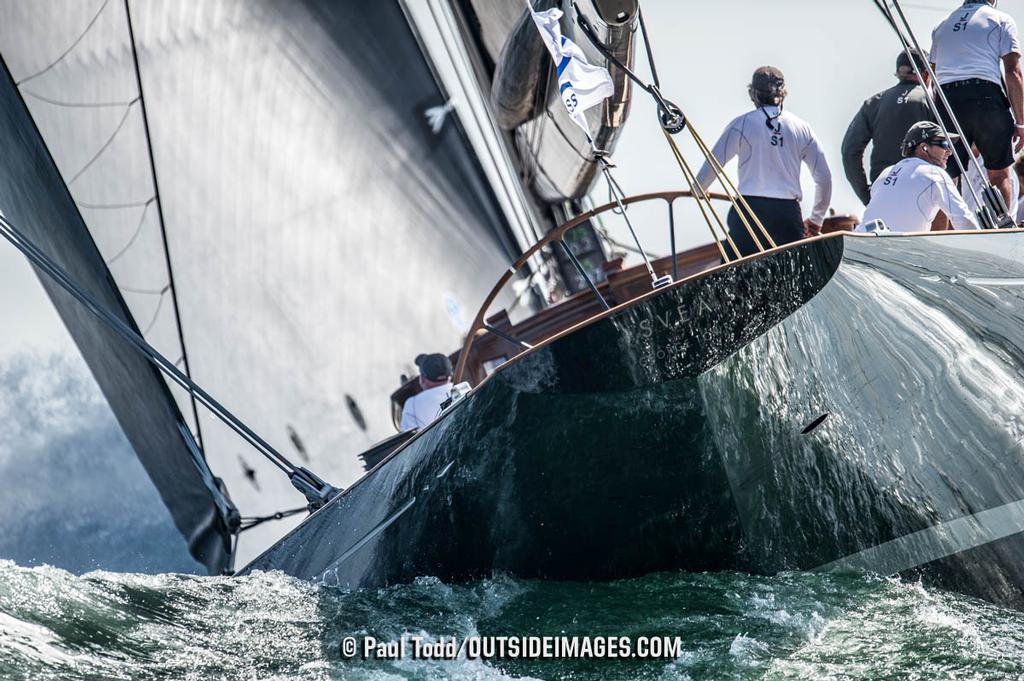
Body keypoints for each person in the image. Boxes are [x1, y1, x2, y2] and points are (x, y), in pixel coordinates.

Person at [696, 66, 832, 256]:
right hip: (787, 217)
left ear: (753, 94)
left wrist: (699, 189)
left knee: (735, 277)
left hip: (749, 214)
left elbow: (712, 165)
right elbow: (824, 179)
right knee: (791, 278)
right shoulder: (802, 128)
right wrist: (816, 220)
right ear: (783, 94)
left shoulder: (740, 125)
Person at [931, 0, 1024, 214]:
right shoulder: (1001, 19)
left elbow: (933, 75)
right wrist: (1021, 122)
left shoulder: (942, 25)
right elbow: (1013, 72)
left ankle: (944, 235)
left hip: (947, 98)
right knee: (998, 173)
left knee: (948, 177)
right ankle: (1000, 232)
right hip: (985, 95)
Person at [842, 49, 935, 206]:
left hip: (883, 191)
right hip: (924, 190)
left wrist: (866, 196)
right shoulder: (934, 101)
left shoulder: (874, 102)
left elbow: (849, 151)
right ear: (927, 74)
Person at [861, 121, 978, 232]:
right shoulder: (935, 173)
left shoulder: (886, 173)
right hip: (898, 247)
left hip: (862, 240)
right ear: (924, 148)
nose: (949, 151)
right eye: (944, 144)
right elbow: (964, 221)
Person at [399, 353, 454, 431]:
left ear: (422, 379)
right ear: (450, 376)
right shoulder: (465, 389)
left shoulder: (412, 403)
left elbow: (406, 438)